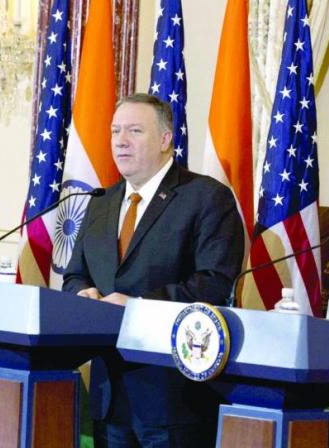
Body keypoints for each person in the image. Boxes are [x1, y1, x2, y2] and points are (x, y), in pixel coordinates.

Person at [63, 94, 245, 447]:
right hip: (108, 394)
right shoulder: (101, 200)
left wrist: (138, 306)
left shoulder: (206, 197)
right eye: (115, 131)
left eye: (134, 130)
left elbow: (214, 283)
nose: (120, 141)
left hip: (173, 395)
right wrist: (80, 295)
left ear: (165, 140)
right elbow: (75, 275)